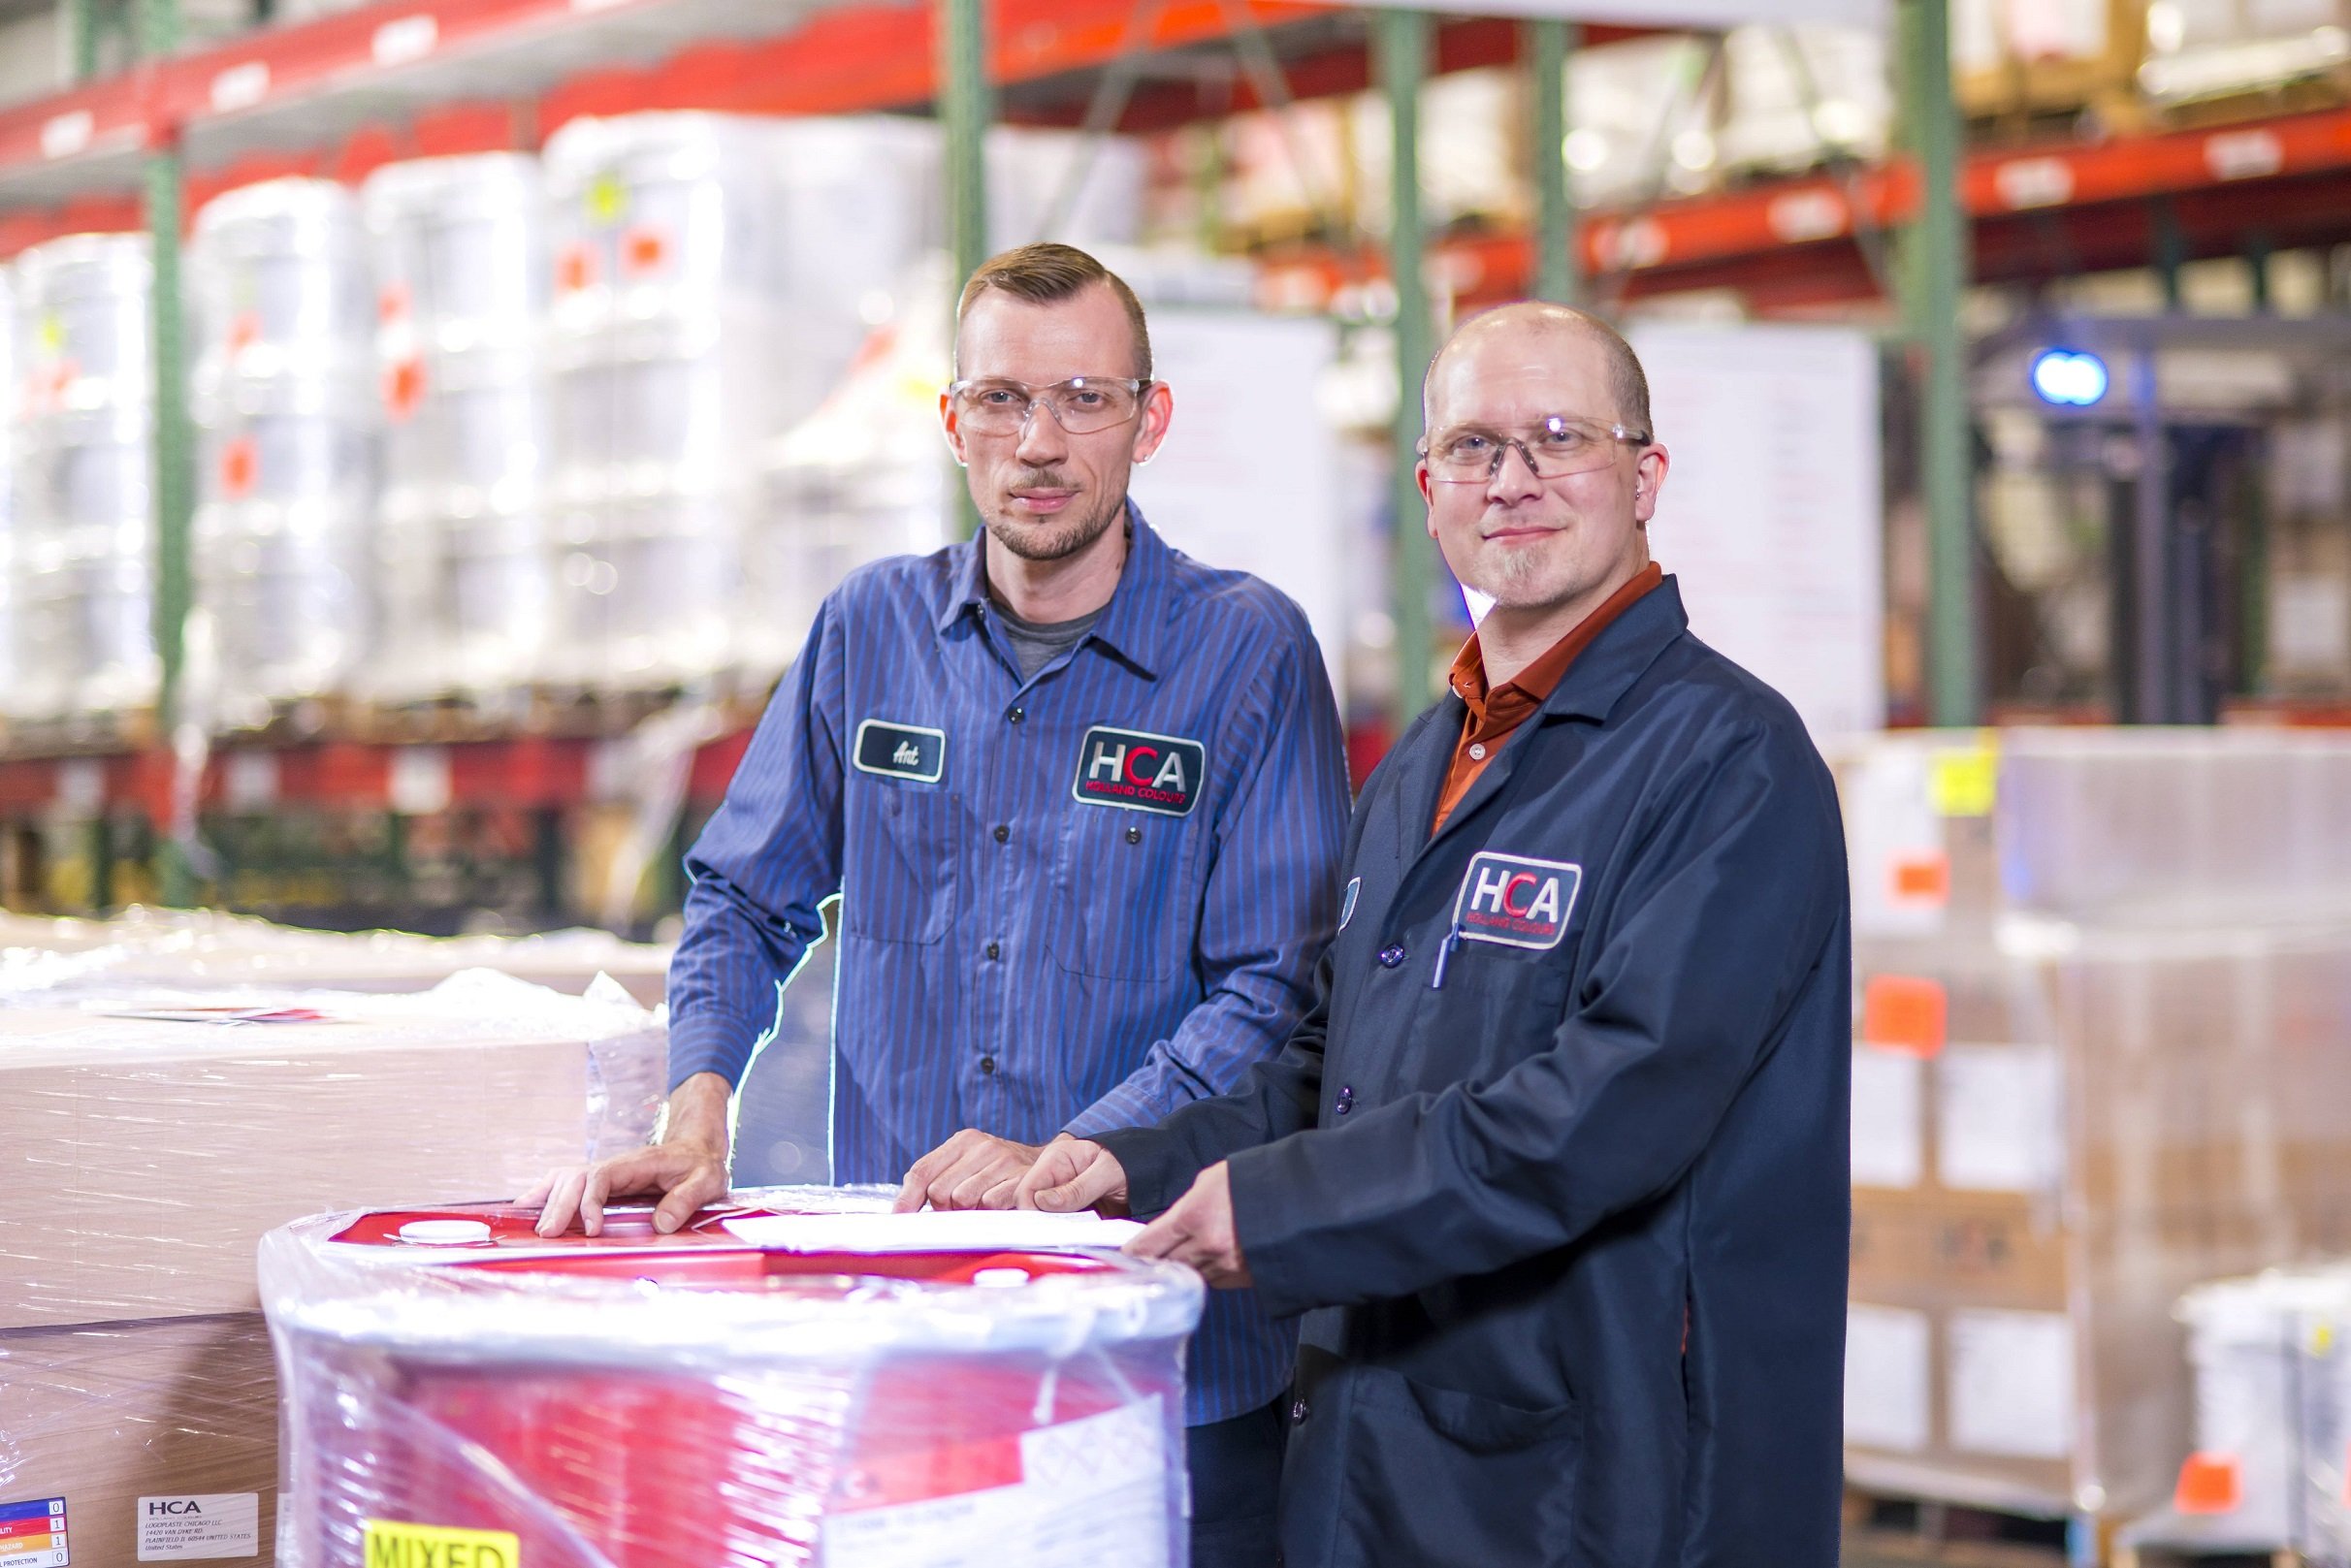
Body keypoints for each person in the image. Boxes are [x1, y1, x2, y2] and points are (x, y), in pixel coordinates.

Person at [525, 241, 1351, 1567]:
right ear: (951, 417)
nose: (1041, 440)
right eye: (1002, 400)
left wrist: (1073, 1151)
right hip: (907, 1334)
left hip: (1164, 1352)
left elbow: (1277, 988)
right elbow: (741, 893)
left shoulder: (1246, 651)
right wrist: (697, 1108)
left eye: (1085, 398)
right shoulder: (870, 630)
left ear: (1150, 417)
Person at [1013, 301, 1852, 1567]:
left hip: (1604, 1479)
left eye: (1557, 438)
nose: (1511, 481)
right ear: (1427, 489)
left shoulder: (1729, 761)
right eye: (1472, 448)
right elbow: (1327, 1056)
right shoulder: (1423, 764)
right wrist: (1137, 1156)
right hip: (1379, 1452)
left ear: (1645, 475)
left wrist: (1282, 1206)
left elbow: (1601, 1110)